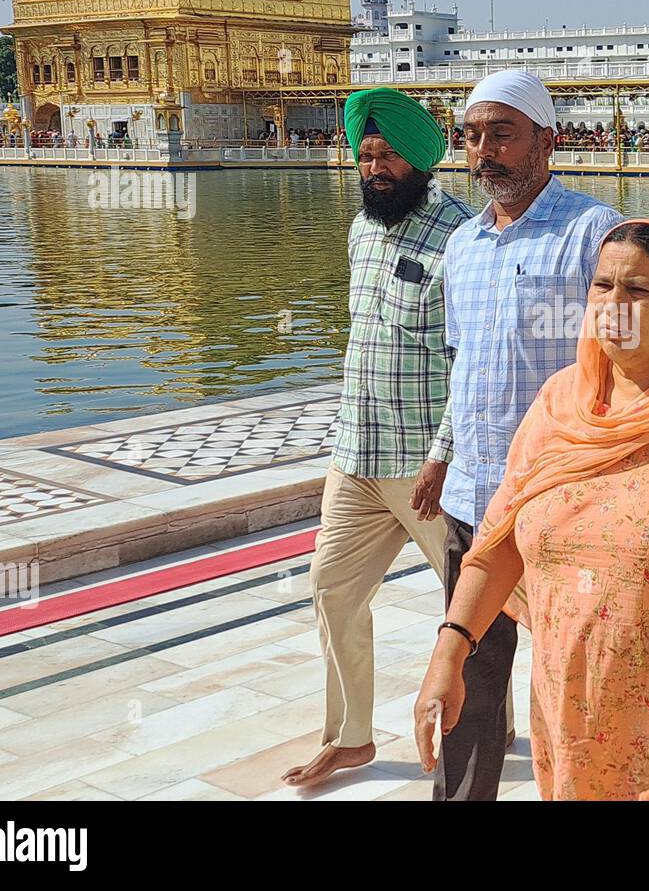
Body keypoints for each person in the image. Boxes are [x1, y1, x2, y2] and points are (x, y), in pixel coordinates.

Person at [413, 220, 649, 799]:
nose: (614, 305)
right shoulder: (559, 406)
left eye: (638, 291)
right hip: (573, 727)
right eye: (602, 286)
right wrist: (449, 652)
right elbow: (497, 546)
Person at [412, 70, 623, 800]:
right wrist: (442, 455)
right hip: (477, 500)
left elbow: (626, 364)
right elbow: (461, 366)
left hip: (564, 499)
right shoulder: (464, 247)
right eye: (472, 137)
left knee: (577, 679)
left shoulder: (592, 231)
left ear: (547, 139)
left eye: (501, 133)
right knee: (468, 671)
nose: (484, 152)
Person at [281, 88, 472, 788]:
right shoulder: (362, 228)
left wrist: (444, 454)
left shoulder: (461, 235)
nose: (374, 168)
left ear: (420, 158)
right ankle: (350, 736)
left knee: (475, 607)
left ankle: (482, 732)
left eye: (387, 154)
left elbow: (468, 357)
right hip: (356, 455)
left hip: (423, 462)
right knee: (330, 587)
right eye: (364, 155)